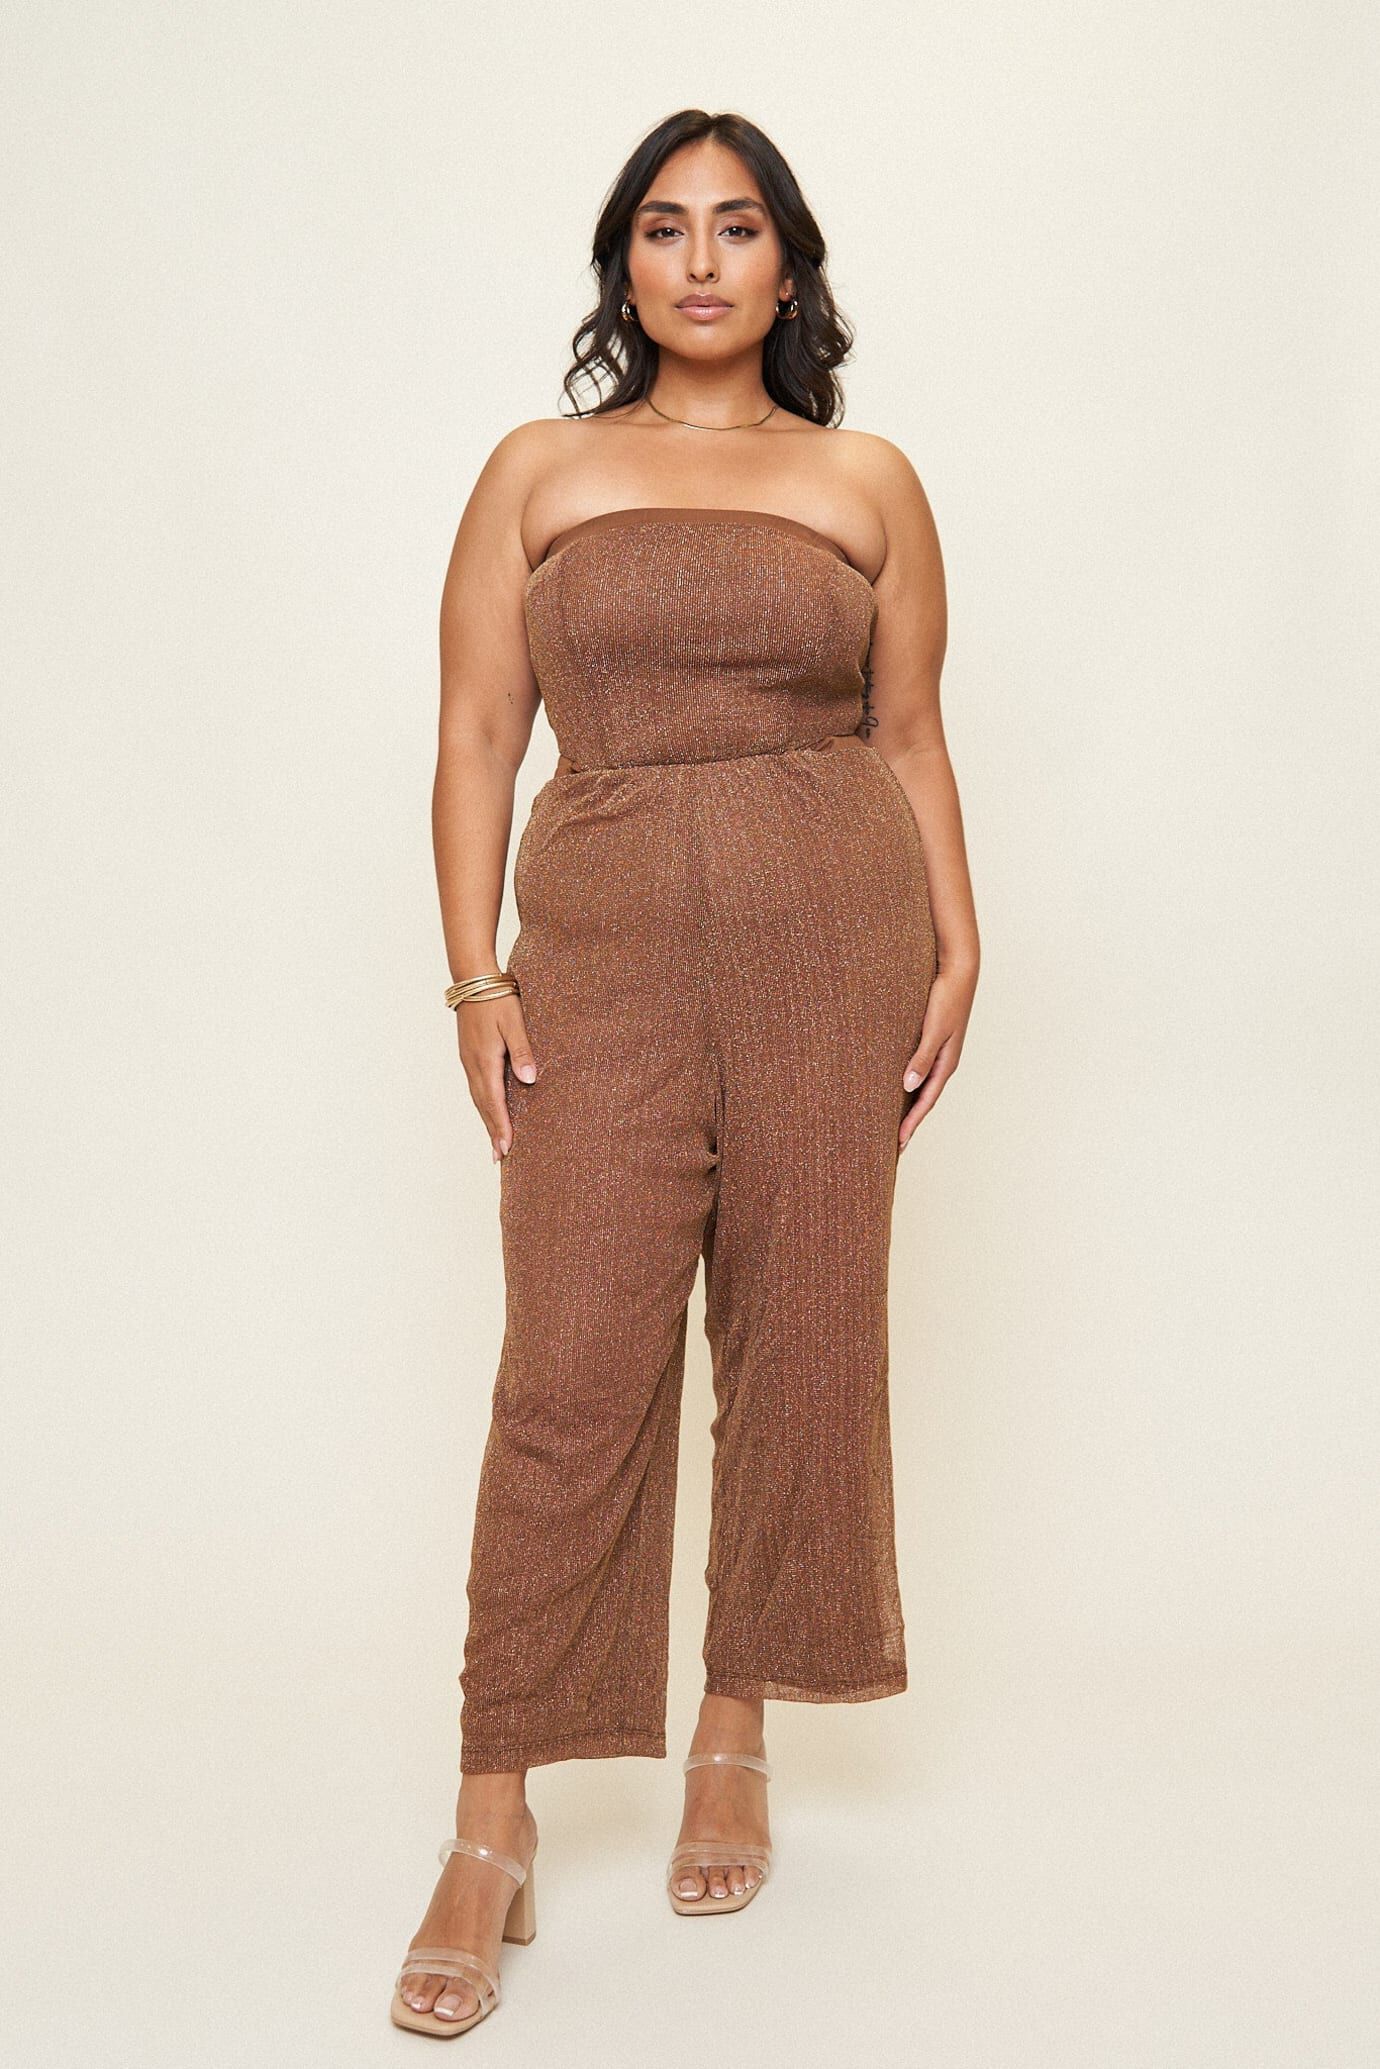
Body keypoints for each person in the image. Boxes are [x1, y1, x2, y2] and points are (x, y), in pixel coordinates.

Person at [391, 106, 979, 2038]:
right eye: (666, 227)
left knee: (802, 1326)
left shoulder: (866, 478)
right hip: (607, 939)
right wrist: (475, 973)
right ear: (624, 262)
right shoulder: (540, 468)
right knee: (570, 1364)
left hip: (834, 927)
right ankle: (492, 1818)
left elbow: (909, 733)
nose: (702, 260)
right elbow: (480, 726)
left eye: (738, 227)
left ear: (788, 264)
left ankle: (737, 1722)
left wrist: (960, 936)